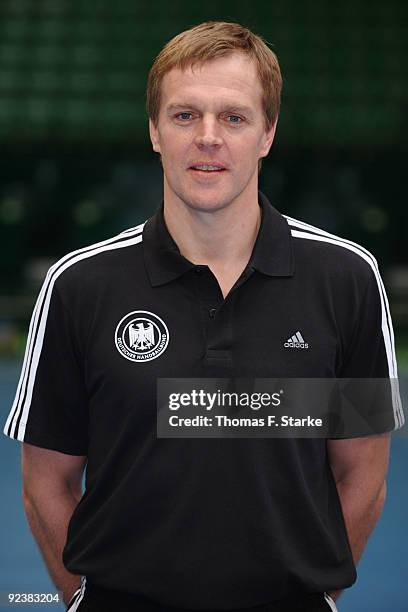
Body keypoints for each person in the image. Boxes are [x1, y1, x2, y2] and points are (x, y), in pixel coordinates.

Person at [3, 20, 404, 612]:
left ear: (268, 133)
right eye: (185, 115)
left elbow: (364, 473)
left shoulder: (348, 279)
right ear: (154, 131)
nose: (208, 138)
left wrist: (314, 591)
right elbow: (46, 482)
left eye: (234, 118)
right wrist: (89, 600)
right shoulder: (78, 285)